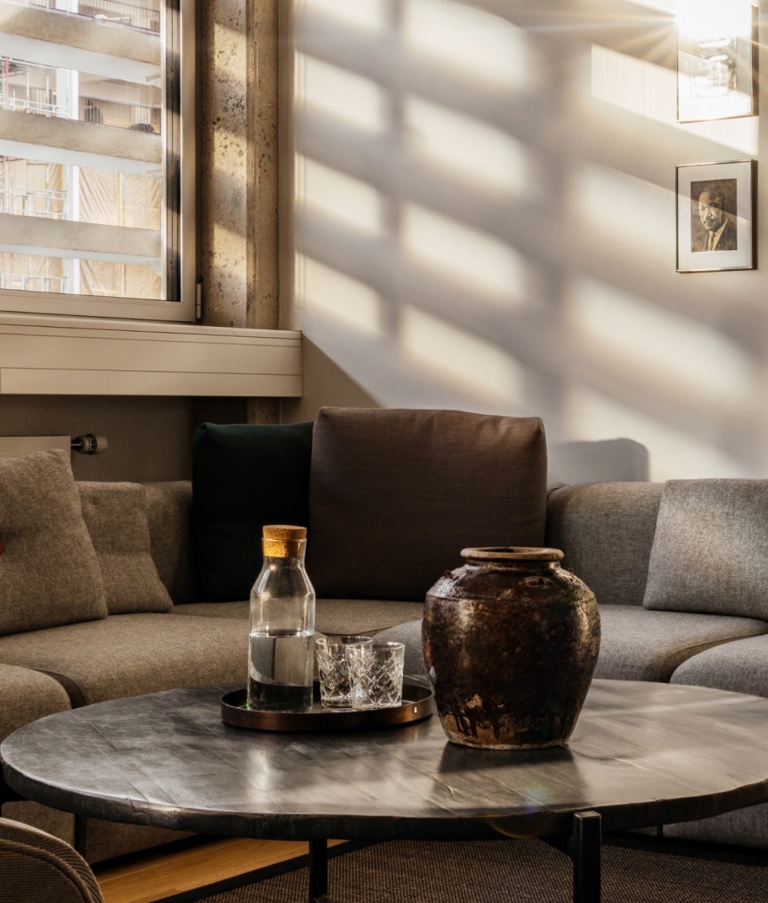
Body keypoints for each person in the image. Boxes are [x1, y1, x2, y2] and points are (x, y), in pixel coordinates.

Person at [692, 182, 737, 252]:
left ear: (723, 208)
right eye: (702, 209)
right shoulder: (697, 239)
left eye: (712, 207)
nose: (707, 215)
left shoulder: (736, 236)